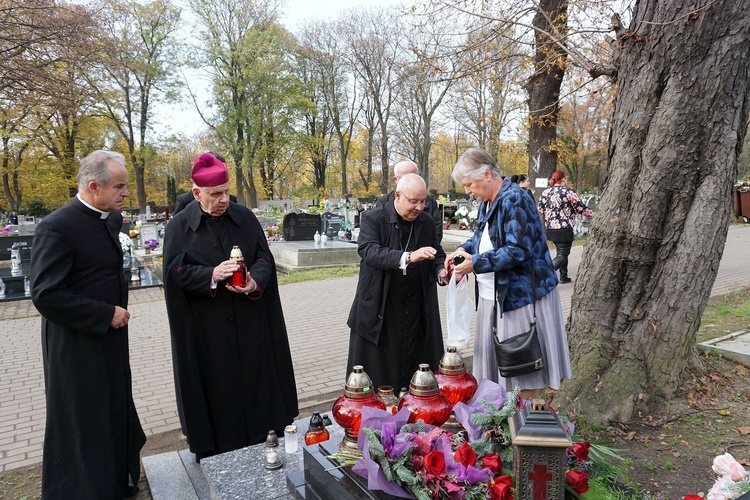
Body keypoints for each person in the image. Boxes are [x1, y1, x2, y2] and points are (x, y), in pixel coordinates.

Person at [163, 152, 298, 461]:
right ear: (197, 194)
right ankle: (221, 452)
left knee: (259, 385)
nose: (224, 199)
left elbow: (264, 258)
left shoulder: (244, 218)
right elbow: (174, 275)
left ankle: (266, 438)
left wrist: (253, 282)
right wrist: (211, 275)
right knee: (217, 393)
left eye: (226, 190)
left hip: (251, 324)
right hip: (207, 332)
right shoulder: (179, 228)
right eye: (215, 194)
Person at [30, 150, 146, 499]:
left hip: (109, 341)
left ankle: (115, 481)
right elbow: (46, 294)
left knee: (113, 409)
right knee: (85, 419)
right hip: (77, 345)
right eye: (120, 186)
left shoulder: (106, 219)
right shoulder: (57, 227)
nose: (126, 193)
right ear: (94, 186)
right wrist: (104, 314)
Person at [446, 148, 571, 399]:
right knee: (497, 368)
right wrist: (462, 250)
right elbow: (483, 237)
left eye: (469, 184)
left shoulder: (515, 199)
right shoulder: (487, 201)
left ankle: (522, 423)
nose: (467, 190)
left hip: (520, 296)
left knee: (521, 365)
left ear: (487, 174)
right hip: (494, 296)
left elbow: (518, 250)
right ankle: (500, 423)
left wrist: (477, 263)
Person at [347, 173, 448, 391]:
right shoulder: (373, 218)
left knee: (415, 367)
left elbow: (436, 252)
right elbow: (368, 250)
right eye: (414, 201)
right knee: (378, 374)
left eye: (423, 201)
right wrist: (408, 257)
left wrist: (442, 270)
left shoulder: (426, 221)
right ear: (398, 195)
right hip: (381, 307)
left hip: (414, 307)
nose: (420, 207)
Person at [537, 170, 593, 284]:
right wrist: (595, 214)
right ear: (563, 179)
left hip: (550, 228)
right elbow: (581, 208)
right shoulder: (568, 192)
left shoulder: (546, 192)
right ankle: (544, 274)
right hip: (564, 227)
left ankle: (564, 276)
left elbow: (540, 209)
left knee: (561, 252)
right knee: (563, 254)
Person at [376, 160, 443, 242]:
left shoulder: (430, 203)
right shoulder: (384, 202)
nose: (419, 207)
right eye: (413, 201)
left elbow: (436, 232)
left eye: (414, 176)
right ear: (395, 179)